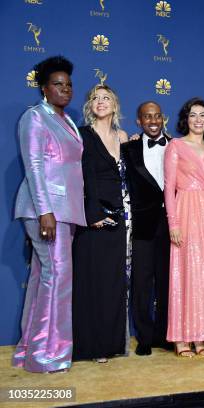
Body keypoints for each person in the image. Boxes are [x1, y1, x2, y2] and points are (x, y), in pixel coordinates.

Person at [13, 56, 86, 373]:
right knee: (57, 279)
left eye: (68, 84)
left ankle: (31, 349)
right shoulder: (34, 118)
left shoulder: (67, 120)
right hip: (46, 211)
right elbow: (35, 167)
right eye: (58, 84)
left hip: (64, 211)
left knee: (46, 278)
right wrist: (45, 212)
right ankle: (47, 355)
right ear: (44, 88)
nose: (65, 89)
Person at [164, 97, 204, 357]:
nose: (199, 120)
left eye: (203, 115)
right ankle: (181, 338)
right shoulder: (175, 146)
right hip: (185, 210)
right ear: (186, 119)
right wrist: (173, 222)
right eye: (193, 115)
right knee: (185, 273)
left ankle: (202, 334)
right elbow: (169, 187)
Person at [72, 84, 131, 362]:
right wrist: (91, 213)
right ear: (89, 106)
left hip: (119, 216)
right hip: (93, 217)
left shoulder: (123, 137)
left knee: (112, 282)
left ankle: (111, 344)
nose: (100, 101)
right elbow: (79, 177)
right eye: (95, 98)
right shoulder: (81, 135)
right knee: (92, 281)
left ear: (115, 105)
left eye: (106, 97)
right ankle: (92, 346)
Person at [121, 102, 173, 355]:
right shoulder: (127, 149)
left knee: (167, 282)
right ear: (138, 122)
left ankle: (164, 334)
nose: (153, 121)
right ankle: (144, 336)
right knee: (142, 284)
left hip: (174, 225)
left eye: (156, 116)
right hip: (142, 225)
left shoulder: (177, 146)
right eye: (147, 117)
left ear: (163, 119)